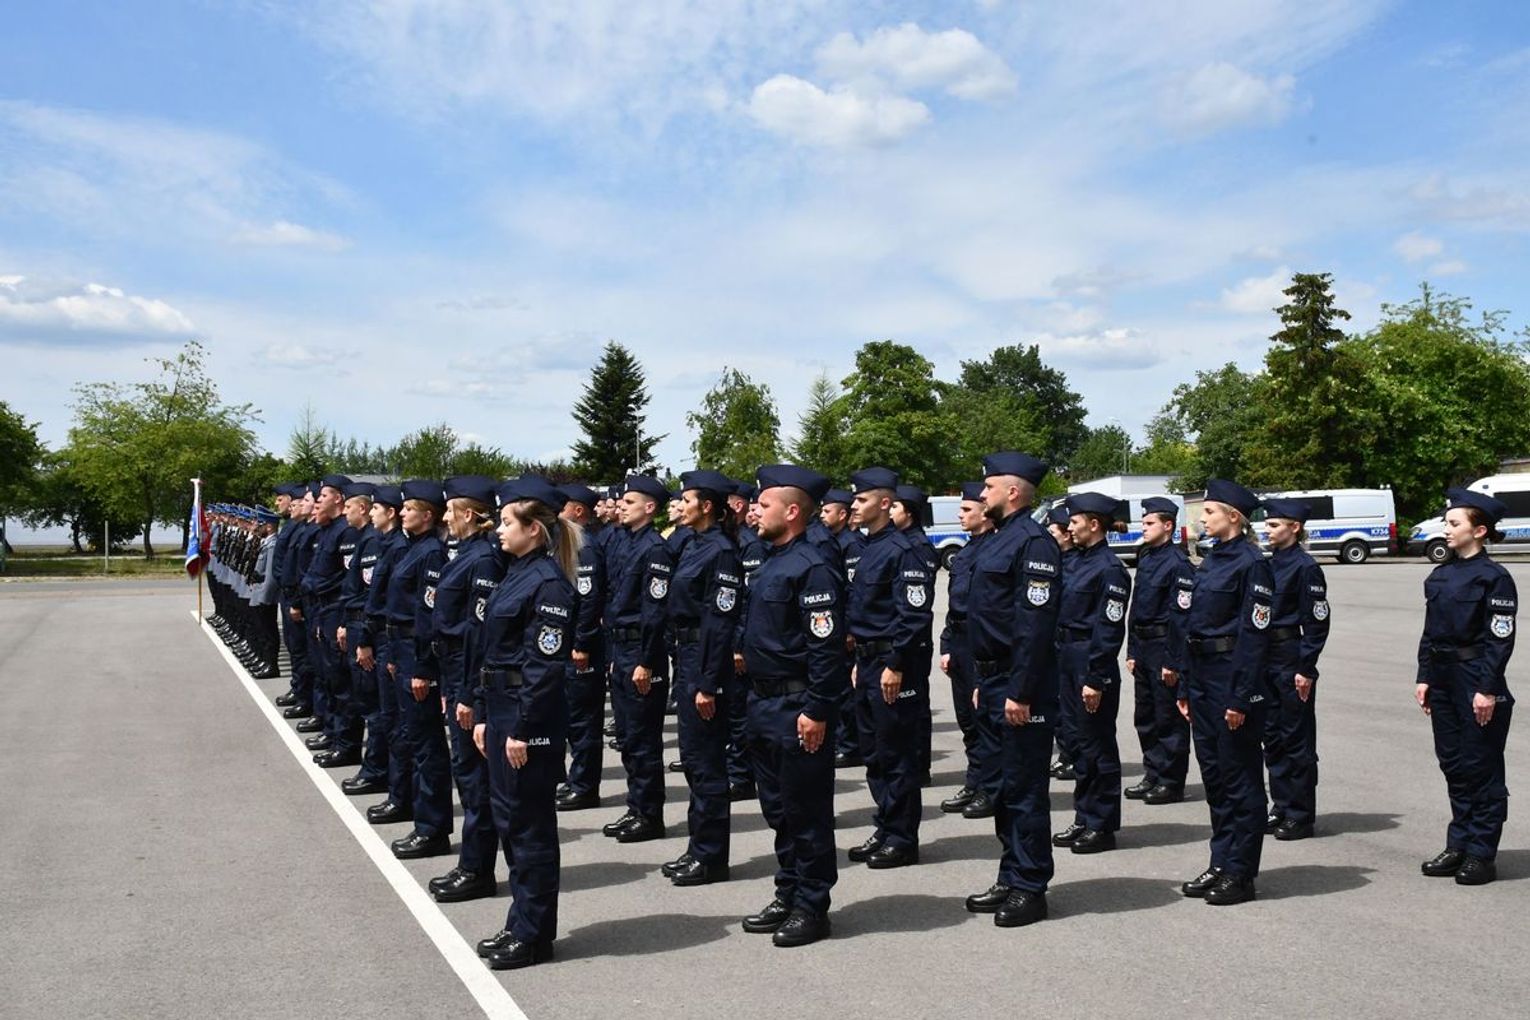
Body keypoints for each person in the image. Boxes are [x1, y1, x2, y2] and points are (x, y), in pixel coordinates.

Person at [472, 476, 581, 970]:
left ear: (534, 530)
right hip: (500, 708)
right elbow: (493, 649)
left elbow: (544, 666)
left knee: (529, 826)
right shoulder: (517, 572)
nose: (498, 530)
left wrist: (521, 726)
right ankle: (522, 922)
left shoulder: (549, 583)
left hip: (525, 715)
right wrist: (482, 710)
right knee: (509, 821)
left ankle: (534, 934)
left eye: (506, 522)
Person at [737, 464, 844, 947]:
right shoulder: (771, 560)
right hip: (762, 705)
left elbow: (825, 647)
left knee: (807, 813)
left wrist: (818, 709)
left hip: (798, 705)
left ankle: (811, 906)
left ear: (793, 510)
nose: (755, 511)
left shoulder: (813, 566)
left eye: (764, 504)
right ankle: (789, 889)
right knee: (778, 810)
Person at [962, 452, 1058, 928]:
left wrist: (1019, 691)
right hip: (995, 679)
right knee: (1001, 788)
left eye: (990, 487)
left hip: (1023, 685)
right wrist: (985, 683)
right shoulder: (998, 541)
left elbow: (1034, 626)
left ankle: (1030, 886)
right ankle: (1011, 872)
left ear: (1013, 491)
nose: (982, 495)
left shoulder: (1034, 544)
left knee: (1024, 789)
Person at [1169, 479, 1273, 906]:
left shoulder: (1252, 564)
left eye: (1209, 512)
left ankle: (1241, 874)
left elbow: (1255, 636)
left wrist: (1240, 697)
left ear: (1234, 516)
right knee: (1215, 777)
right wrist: (1187, 685)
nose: (1202, 518)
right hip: (1204, 679)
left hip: (1233, 680)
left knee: (1240, 780)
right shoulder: (1210, 562)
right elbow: (1192, 628)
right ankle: (1221, 860)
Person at [1416, 488, 1517, 886]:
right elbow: (1430, 632)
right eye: (1447, 522)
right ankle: (1458, 843)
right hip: (1442, 678)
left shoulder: (1494, 578)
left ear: (1479, 531)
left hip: (1475, 677)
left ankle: (1481, 853)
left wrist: (1487, 688)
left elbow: (1499, 638)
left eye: (1454, 523)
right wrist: (1424, 676)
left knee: (1481, 768)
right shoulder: (1439, 575)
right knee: (1454, 766)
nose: (1447, 528)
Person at [417, 475, 503, 904]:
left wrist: (469, 693)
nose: (445, 517)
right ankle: (472, 861)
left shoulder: (484, 560)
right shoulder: (466, 555)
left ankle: (478, 868)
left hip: (466, 674)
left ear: (469, 514)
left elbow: (480, 634)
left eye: (451, 511)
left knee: (474, 779)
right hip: (455, 671)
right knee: (467, 776)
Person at [659, 470, 744, 886]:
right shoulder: (694, 545)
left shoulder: (721, 552)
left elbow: (720, 621)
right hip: (689, 655)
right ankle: (698, 846)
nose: (681, 505)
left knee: (707, 763)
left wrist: (708, 682)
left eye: (687, 499)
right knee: (694, 760)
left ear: (707, 506)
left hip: (705, 659)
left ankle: (711, 856)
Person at [844, 467, 932, 870]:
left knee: (897, 755)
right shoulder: (869, 547)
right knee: (875, 753)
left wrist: (895, 663)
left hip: (891, 663)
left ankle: (902, 837)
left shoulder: (903, 550)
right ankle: (885, 826)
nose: (854, 506)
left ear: (884, 503)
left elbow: (913, 615)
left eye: (861, 500)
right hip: (867, 661)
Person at [1050, 493, 1132, 854]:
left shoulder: (1109, 568)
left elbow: (1109, 627)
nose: (1070, 527)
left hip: (1089, 659)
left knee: (1097, 746)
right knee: (1077, 743)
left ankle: (1102, 824)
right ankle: (1084, 816)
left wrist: (1096, 676)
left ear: (1094, 524)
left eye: (1075, 521)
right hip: (1067, 656)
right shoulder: (1076, 562)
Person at [600, 475, 673, 843]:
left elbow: (654, 611)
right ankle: (635, 807)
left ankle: (649, 814)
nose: (620, 507)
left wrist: (646, 660)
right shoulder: (623, 543)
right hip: (622, 649)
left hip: (642, 653)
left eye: (629, 503)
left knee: (644, 740)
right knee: (628, 737)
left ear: (649, 508)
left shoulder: (655, 549)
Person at [386, 480, 454, 860]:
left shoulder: (430, 553)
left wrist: (424, 668)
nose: (402, 513)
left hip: (417, 652)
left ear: (427, 516)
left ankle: (433, 829)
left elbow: (428, 613)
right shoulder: (412, 549)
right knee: (412, 736)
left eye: (409, 509)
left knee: (428, 745)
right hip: (403, 646)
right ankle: (419, 815)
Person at [1260, 497, 1331, 841]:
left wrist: (1306, 666)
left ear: (1294, 527)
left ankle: (1300, 814)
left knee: (1295, 739)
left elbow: (1317, 622)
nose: (1267, 529)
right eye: (1267, 524)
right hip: (1265, 657)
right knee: (1272, 737)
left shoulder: (1305, 568)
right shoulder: (1266, 564)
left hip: (1290, 656)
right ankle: (1281, 805)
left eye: (1274, 525)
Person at [1124, 497, 1195, 805]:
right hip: (1144, 647)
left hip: (1164, 647)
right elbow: (1136, 608)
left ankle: (1171, 781)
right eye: (1144, 522)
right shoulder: (1147, 556)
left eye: (1150, 522)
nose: (1144, 526)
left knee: (1168, 719)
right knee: (1146, 716)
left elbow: (1182, 616)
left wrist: (1173, 660)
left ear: (1168, 526)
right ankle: (1152, 773)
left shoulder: (1178, 563)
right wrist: (1131, 649)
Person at [353, 484, 412, 824]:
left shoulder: (400, 548)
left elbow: (392, 603)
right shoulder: (389, 546)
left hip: (392, 640)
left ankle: (400, 795)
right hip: (383, 636)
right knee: (390, 721)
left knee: (396, 725)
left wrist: (369, 639)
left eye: (376, 508)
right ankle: (396, 790)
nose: (372, 512)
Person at [938, 482, 995, 819]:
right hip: (959, 642)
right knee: (968, 722)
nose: (960, 516)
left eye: (965, 510)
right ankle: (975, 781)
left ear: (984, 513)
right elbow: (954, 605)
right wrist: (946, 645)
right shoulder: (967, 550)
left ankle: (990, 788)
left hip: (980, 644)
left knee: (985, 720)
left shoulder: (993, 550)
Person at [555, 484, 608, 811]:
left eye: (562, 508)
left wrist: (582, 643)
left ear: (577, 511)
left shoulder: (585, 547)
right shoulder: (569, 544)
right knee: (571, 718)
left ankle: (585, 786)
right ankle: (576, 780)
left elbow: (589, 599)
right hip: (568, 644)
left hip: (581, 647)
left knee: (584, 722)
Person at [893, 483, 937, 787]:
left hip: (914, 638)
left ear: (908, 513)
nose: (890, 511)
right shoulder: (899, 542)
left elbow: (917, 601)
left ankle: (920, 766)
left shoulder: (917, 547)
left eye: (894, 507)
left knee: (915, 705)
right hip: (905, 636)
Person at [821, 488, 865, 769]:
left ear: (842, 513)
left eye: (827, 511)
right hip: (835, 626)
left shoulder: (851, 544)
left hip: (846, 630)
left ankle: (850, 745)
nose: (823, 515)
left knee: (846, 692)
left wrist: (849, 629)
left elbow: (853, 590)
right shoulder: (833, 540)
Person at [1046, 503, 1079, 782]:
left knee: (1073, 709)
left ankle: (1073, 756)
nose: (1048, 535)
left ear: (1066, 534)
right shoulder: (1056, 561)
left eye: (1053, 531)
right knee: (1059, 707)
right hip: (1055, 642)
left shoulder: (1078, 563)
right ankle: (1066, 754)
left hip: (1073, 645)